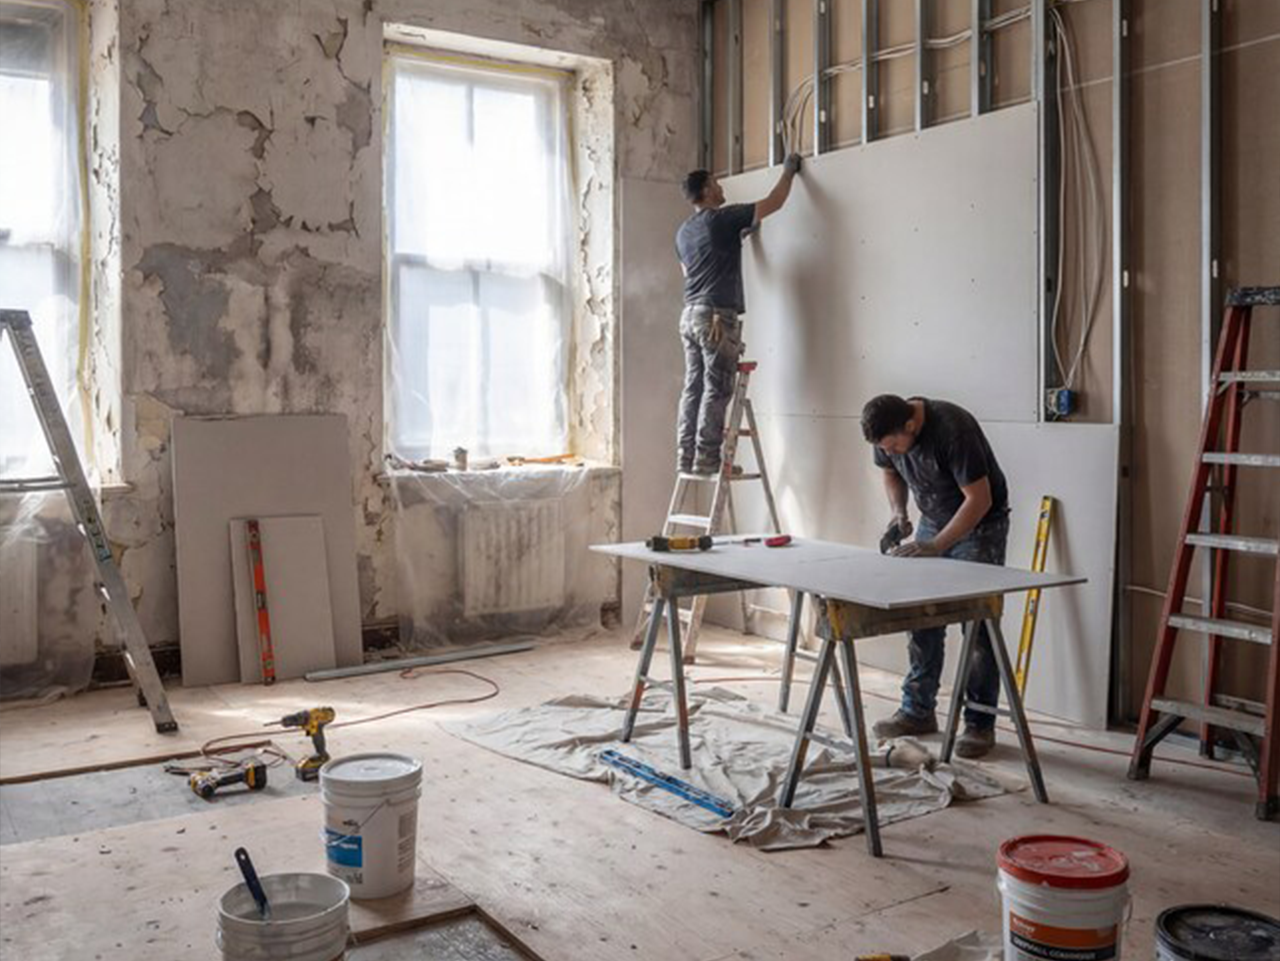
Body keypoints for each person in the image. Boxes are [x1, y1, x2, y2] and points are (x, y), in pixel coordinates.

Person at [860, 393, 1011, 759]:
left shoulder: (953, 430)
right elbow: (890, 472)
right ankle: (917, 712)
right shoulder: (887, 429)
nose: (892, 451)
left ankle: (979, 724)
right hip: (932, 522)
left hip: (979, 527)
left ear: (911, 424)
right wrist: (899, 514)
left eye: (895, 444)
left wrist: (937, 545)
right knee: (923, 619)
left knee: (978, 628)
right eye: (886, 447)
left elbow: (980, 500)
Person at [674, 155, 803, 475]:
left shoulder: (683, 233)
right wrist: (789, 171)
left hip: (690, 315)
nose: (721, 187)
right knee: (717, 388)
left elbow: (690, 270)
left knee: (694, 387)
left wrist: (739, 235)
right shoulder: (722, 219)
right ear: (705, 190)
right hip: (716, 317)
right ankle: (708, 458)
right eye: (716, 183)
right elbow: (775, 202)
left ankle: (686, 454)